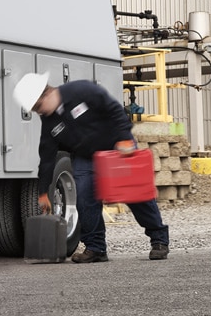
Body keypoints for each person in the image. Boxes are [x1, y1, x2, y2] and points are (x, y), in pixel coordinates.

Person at [13, 72, 170, 263]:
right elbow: (46, 158)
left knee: (134, 194)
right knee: (85, 199)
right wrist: (43, 192)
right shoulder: (49, 122)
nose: (39, 112)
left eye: (38, 107)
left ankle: (159, 240)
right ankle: (95, 248)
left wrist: (123, 137)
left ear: (46, 94)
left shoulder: (82, 90)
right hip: (86, 156)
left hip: (117, 146)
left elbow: (114, 109)